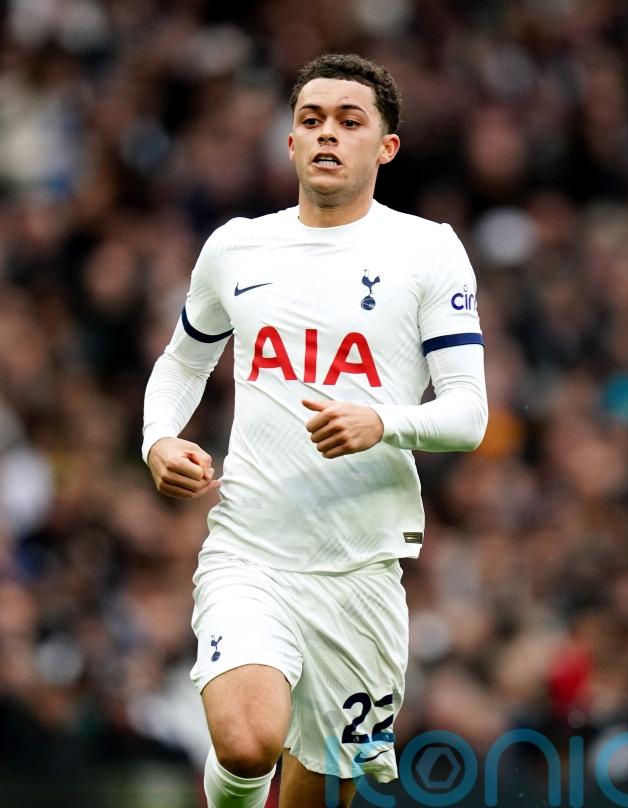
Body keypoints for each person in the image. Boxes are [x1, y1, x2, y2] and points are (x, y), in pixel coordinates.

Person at [142, 53, 488, 808]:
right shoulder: (237, 247)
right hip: (251, 549)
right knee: (247, 742)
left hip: (361, 568)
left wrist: (382, 422)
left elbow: (468, 414)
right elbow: (183, 362)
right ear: (292, 142)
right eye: (312, 119)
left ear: (385, 147)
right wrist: (158, 438)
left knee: (320, 792)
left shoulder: (428, 251)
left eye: (349, 121)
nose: (328, 133)